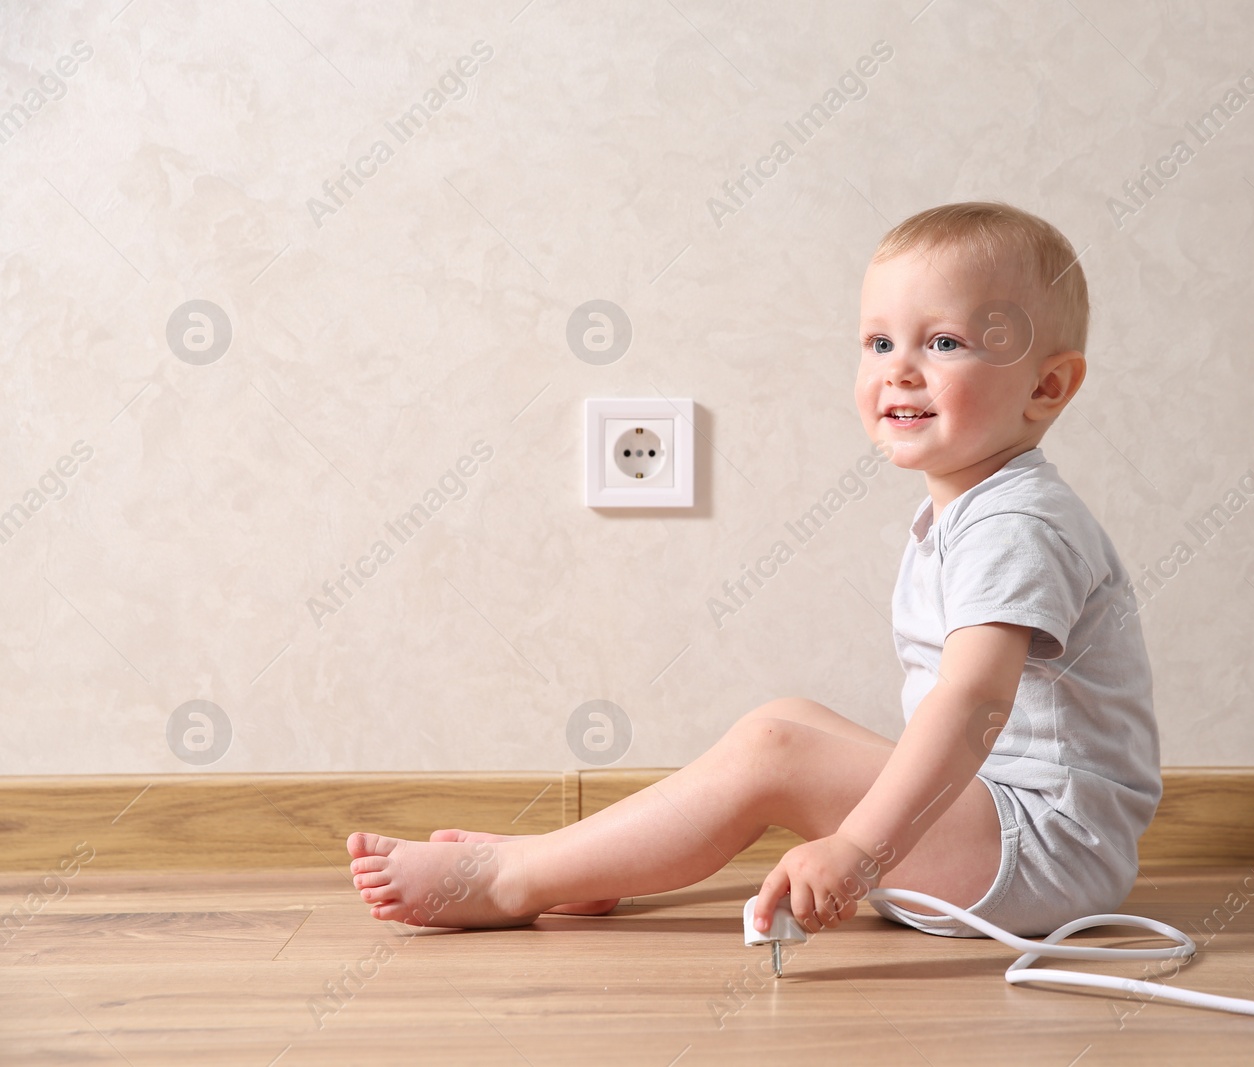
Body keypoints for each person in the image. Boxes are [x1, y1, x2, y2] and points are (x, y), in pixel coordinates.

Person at [347, 201, 1162, 940]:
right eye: (879, 342)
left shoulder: (1015, 522)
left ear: (1046, 386)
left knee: (777, 749)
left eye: (943, 342)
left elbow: (974, 701)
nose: (899, 369)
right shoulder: (979, 506)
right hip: (1019, 834)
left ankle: (511, 880)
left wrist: (856, 848)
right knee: (784, 717)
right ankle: (576, 863)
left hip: (1045, 857)